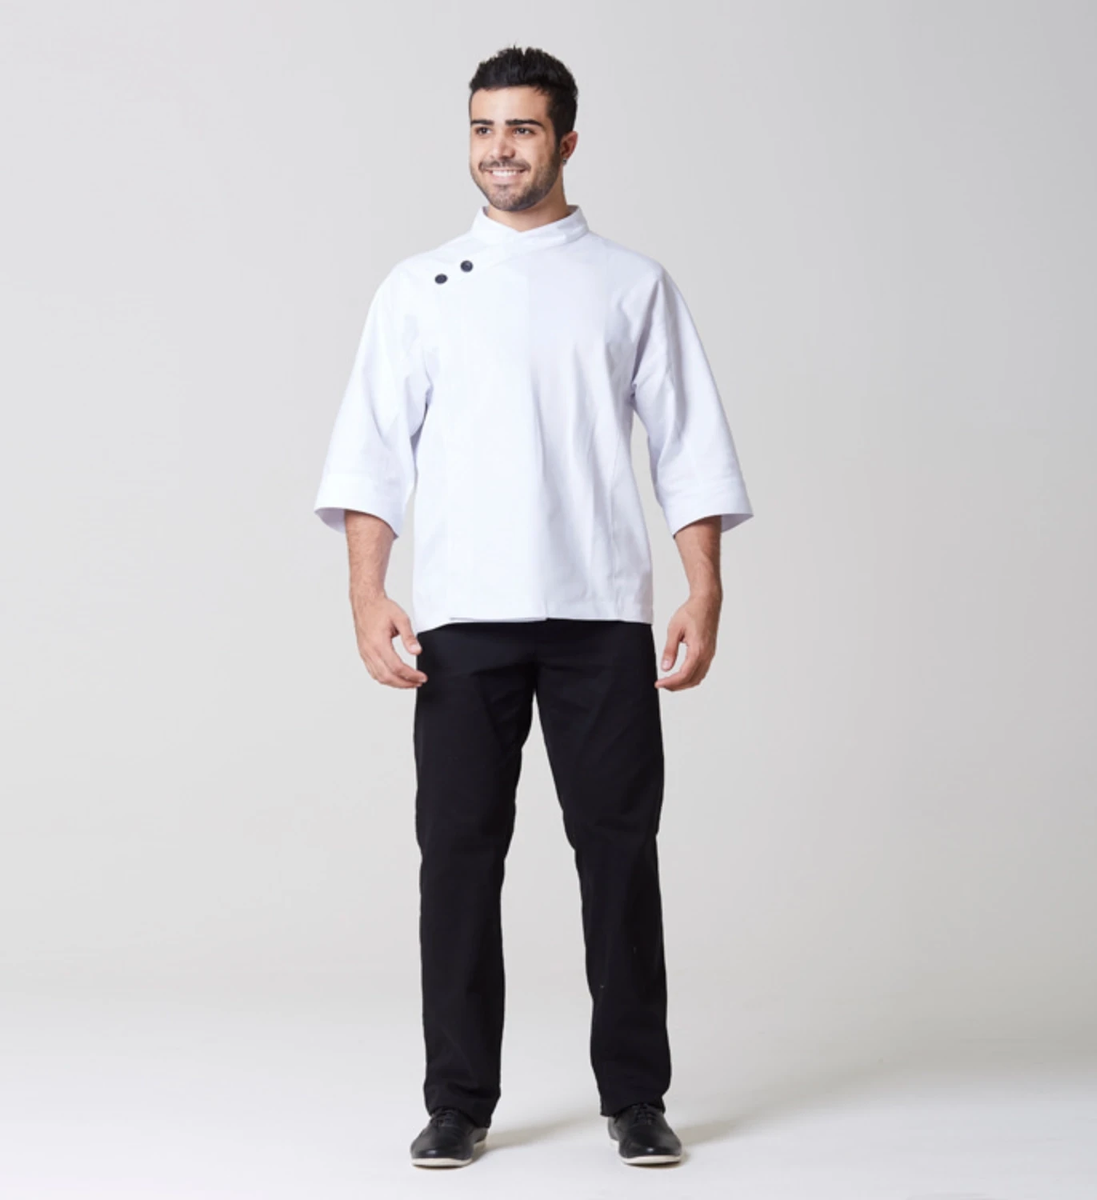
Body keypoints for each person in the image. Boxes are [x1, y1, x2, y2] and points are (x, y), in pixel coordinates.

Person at [313, 45, 753, 1168]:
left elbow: (688, 446)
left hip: (601, 611)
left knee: (619, 854)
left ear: (566, 140)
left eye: (520, 128)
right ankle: (458, 1099)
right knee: (458, 856)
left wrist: (703, 587)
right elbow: (372, 455)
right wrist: (368, 594)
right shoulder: (417, 288)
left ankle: (636, 1096)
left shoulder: (630, 284)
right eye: (482, 128)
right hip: (463, 618)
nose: (498, 149)